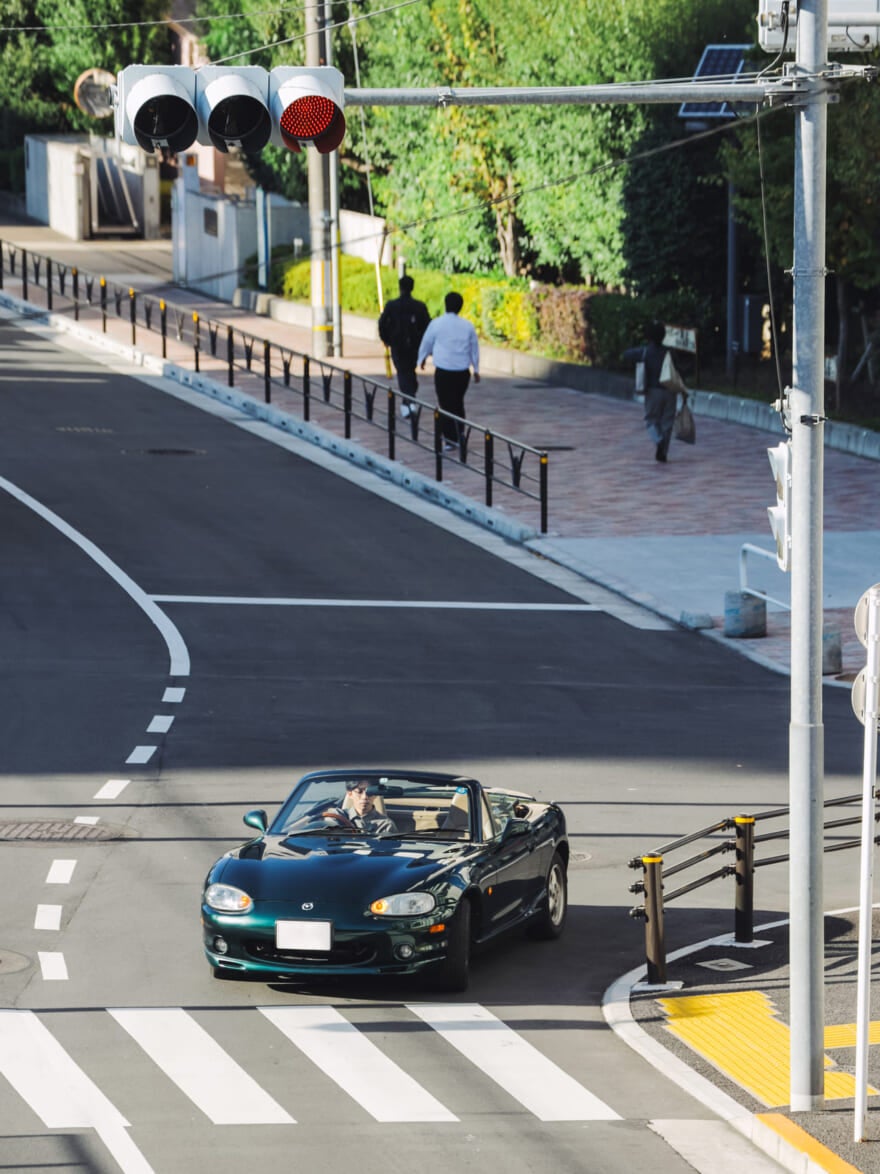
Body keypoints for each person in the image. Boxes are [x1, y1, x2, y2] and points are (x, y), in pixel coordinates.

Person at [417, 291, 480, 452]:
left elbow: (427, 342)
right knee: (458, 403)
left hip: (444, 371)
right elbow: (474, 349)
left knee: (445, 405)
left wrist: (421, 359)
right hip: (462, 371)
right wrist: (476, 369)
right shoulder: (468, 325)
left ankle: (450, 439)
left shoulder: (437, 324)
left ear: (445, 304)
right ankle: (460, 433)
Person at [623, 322, 677, 463]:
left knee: (651, 420)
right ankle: (663, 452)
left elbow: (626, 354)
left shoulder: (645, 351)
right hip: (670, 390)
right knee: (667, 422)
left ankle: (658, 440)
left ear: (649, 337)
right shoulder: (670, 352)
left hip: (653, 391)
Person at [377, 275, 431, 418]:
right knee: (409, 371)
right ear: (412, 288)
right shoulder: (419, 306)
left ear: (400, 288)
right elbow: (427, 327)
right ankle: (409, 399)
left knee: (403, 372)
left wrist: (386, 340)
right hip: (414, 346)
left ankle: (408, 399)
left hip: (397, 345)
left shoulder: (392, 305)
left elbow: (382, 324)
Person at [329, 780, 398, 834]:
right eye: (359, 792)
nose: (365, 797)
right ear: (350, 794)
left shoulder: (385, 824)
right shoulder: (336, 816)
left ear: (376, 794)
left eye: (369, 792)